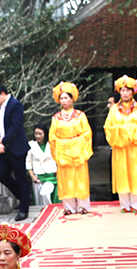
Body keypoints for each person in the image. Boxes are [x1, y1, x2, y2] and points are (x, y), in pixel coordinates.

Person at [103, 75, 137, 214]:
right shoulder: (113, 109)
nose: (125, 93)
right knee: (121, 173)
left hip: (134, 146)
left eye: (127, 90)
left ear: (132, 92)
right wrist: (122, 131)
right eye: (122, 90)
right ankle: (124, 204)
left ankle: (136, 203)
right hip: (119, 147)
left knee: (135, 173)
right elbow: (108, 127)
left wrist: (130, 130)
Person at [0, 82, 32, 222]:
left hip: (16, 147)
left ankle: (24, 208)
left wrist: (4, 142)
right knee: (2, 175)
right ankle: (23, 197)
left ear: (2, 94)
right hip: (4, 146)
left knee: (21, 178)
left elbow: (16, 127)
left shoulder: (15, 105)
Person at [49, 81, 92, 215]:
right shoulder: (56, 118)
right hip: (63, 152)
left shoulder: (80, 115)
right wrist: (63, 144)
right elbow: (52, 137)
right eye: (61, 98)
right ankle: (69, 207)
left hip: (78, 151)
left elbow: (87, 133)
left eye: (66, 97)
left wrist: (75, 142)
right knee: (65, 179)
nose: (64, 100)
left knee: (80, 178)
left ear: (72, 99)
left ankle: (83, 206)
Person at [26, 123, 59, 206]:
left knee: (45, 193)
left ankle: (50, 210)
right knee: (39, 200)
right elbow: (28, 162)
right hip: (38, 176)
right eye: (36, 134)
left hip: (51, 175)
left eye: (40, 134)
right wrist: (32, 176)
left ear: (45, 134)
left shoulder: (52, 144)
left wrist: (58, 171)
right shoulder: (31, 145)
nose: (38, 136)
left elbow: (58, 158)